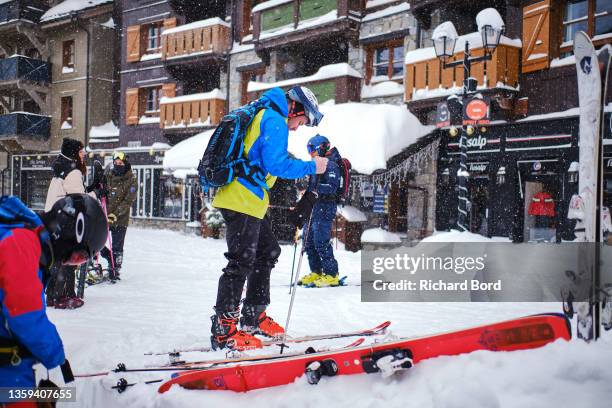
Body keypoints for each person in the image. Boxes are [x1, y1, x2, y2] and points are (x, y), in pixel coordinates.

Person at [210, 85, 328, 351]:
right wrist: (312, 166)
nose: (299, 127)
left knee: (268, 251)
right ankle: (224, 329)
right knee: (241, 261)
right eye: (302, 120)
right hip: (241, 199)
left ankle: (253, 315)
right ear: (295, 108)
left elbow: (268, 160)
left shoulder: (266, 114)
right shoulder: (274, 119)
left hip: (249, 199)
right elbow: (276, 165)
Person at [0, 194, 107, 391]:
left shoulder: (24, 236)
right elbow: (24, 314)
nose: (70, 261)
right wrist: (54, 354)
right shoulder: (22, 242)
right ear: (71, 231)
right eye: (78, 256)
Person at [44, 137, 95, 309]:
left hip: (54, 219)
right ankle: (63, 296)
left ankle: (51, 296)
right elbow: (79, 199)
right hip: (66, 221)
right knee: (68, 260)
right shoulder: (73, 172)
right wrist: (94, 195)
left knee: (56, 260)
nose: (84, 155)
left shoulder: (60, 170)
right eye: (81, 152)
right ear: (74, 154)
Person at [297, 135, 341, 287]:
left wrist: (313, 188)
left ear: (322, 148)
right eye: (308, 149)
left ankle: (331, 274)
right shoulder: (317, 164)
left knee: (320, 241)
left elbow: (332, 188)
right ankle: (316, 271)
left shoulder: (331, 166)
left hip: (325, 207)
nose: (310, 153)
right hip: (314, 206)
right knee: (308, 241)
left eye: (312, 149)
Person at [100, 151, 137, 281]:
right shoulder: (108, 174)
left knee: (117, 246)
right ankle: (107, 257)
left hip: (120, 218)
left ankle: (115, 269)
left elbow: (128, 201)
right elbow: (101, 190)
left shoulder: (131, 180)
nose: (117, 165)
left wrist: (115, 214)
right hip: (104, 215)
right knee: (97, 242)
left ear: (125, 163)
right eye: (115, 163)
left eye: (120, 163)